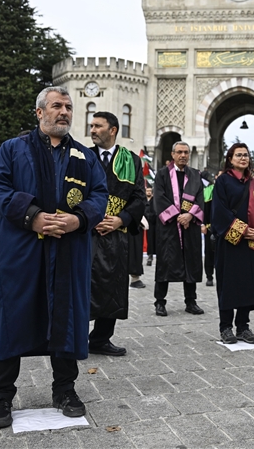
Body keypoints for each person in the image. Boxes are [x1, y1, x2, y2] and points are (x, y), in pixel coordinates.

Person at [0, 86, 109, 428]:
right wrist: (34, 216)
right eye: (57, 106)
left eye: (68, 107)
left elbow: (100, 194)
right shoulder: (13, 149)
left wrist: (79, 218)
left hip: (69, 252)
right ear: (39, 112)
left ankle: (65, 390)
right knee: (15, 318)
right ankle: (1, 396)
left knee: (67, 319)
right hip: (24, 252)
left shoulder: (85, 156)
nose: (64, 112)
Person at [88, 111, 146, 357]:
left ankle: (101, 339)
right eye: (91, 125)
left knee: (112, 286)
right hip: (86, 233)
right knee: (83, 286)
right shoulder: (81, 157)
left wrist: (120, 219)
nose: (92, 130)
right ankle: (75, 337)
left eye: (98, 126)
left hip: (115, 235)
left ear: (113, 130)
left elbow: (139, 197)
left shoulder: (131, 160)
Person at [211, 143, 254, 344]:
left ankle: (243, 326)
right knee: (228, 284)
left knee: (248, 284)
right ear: (230, 158)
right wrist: (242, 230)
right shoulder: (223, 182)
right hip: (230, 243)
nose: (243, 158)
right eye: (238, 155)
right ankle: (226, 327)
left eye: (246, 155)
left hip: (251, 244)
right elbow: (219, 211)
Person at [152, 142, 205, 317]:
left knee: (191, 262)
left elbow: (200, 199)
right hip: (169, 228)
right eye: (179, 152)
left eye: (186, 152)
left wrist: (189, 215)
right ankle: (160, 302)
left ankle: (191, 301)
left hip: (190, 226)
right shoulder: (162, 175)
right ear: (173, 154)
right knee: (165, 263)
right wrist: (178, 216)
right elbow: (159, 198)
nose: (183, 155)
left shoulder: (195, 176)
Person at [201, 170, 216, 287]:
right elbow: (204, 210)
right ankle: (209, 276)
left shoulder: (218, 189)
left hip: (222, 226)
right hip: (209, 227)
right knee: (209, 252)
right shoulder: (206, 191)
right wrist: (203, 224)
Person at [144, 187, 156, 267]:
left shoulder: (154, 201)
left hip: (153, 223)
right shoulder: (144, 200)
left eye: (149, 191)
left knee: (154, 239)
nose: (148, 192)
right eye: (147, 191)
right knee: (149, 239)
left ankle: (152, 255)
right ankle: (149, 256)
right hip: (144, 222)